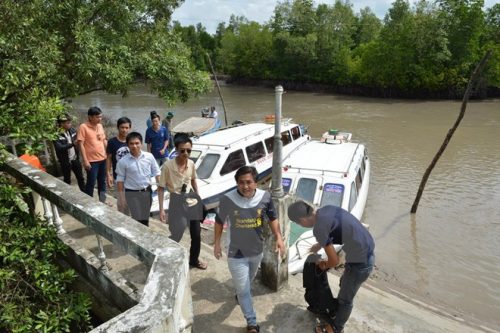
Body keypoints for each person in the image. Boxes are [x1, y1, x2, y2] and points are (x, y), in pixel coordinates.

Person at [213, 166, 285, 333]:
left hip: (256, 251)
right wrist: (216, 243)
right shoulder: (227, 199)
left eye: (249, 182)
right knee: (245, 290)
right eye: (241, 183)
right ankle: (252, 323)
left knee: (248, 281)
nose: (245, 186)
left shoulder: (265, 197)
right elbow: (218, 222)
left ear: (256, 182)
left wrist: (279, 238)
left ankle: (240, 295)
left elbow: (273, 218)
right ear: (236, 183)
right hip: (235, 253)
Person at [287, 200, 375, 333]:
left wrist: (323, 265)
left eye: (298, 223)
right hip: (365, 249)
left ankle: (336, 328)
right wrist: (320, 244)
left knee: (346, 300)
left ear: (302, 220)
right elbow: (337, 227)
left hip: (361, 263)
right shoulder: (326, 209)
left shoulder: (319, 229)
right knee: (344, 283)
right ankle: (336, 314)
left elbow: (335, 261)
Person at [158, 133, 207, 270]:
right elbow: (161, 188)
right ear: (176, 150)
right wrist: (162, 209)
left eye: (189, 150)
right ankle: (165, 252)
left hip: (191, 200)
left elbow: (193, 180)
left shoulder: (191, 163)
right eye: (182, 150)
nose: (186, 153)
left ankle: (194, 260)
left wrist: (199, 198)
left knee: (196, 235)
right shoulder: (167, 166)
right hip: (176, 200)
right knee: (177, 232)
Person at [115, 132, 160, 226]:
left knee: (145, 218)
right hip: (132, 194)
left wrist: (160, 186)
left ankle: (145, 238)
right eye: (131, 143)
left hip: (146, 192)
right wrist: (121, 198)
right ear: (127, 145)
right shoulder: (123, 161)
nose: (134, 146)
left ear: (141, 143)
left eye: (137, 143)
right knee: (137, 218)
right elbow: (120, 180)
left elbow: (157, 172)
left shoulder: (149, 156)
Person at [77, 106, 107, 203]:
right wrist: (85, 161)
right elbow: (80, 144)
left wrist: (109, 152)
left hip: (103, 159)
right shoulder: (83, 127)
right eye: (97, 117)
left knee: (102, 182)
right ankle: (88, 202)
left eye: (100, 117)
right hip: (91, 161)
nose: (100, 119)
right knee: (91, 181)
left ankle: (102, 201)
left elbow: (104, 141)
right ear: (90, 117)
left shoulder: (100, 126)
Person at [53, 113, 85, 191]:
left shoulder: (73, 130)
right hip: (65, 161)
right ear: (61, 124)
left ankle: (85, 194)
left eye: (70, 122)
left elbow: (79, 142)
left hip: (75, 159)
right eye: (68, 123)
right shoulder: (56, 135)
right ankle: (67, 196)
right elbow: (59, 148)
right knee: (67, 179)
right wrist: (72, 144)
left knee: (81, 178)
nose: (70, 124)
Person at [106, 117, 132, 187]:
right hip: (118, 176)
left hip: (132, 176)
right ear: (118, 127)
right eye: (122, 127)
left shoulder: (133, 142)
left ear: (130, 128)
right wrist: (108, 174)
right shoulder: (112, 142)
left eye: (127, 128)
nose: (124, 130)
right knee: (121, 197)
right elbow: (109, 159)